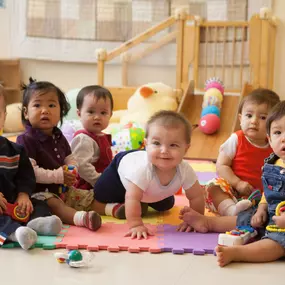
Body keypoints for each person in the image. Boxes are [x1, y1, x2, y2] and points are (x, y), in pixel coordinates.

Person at [181, 101, 285, 267]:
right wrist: (261, 209)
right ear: (270, 140)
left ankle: (238, 253)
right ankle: (209, 223)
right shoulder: (273, 163)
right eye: (278, 132)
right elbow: (269, 192)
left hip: (282, 226)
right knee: (246, 218)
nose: (283, 138)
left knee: (278, 244)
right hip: (270, 214)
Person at [92, 110, 205, 239]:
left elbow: (196, 196)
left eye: (173, 145)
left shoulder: (185, 170)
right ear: (146, 144)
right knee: (100, 193)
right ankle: (101, 206)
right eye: (156, 143)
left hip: (148, 189)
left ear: (186, 149)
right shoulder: (142, 170)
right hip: (120, 172)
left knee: (166, 205)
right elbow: (132, 198)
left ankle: (142, 202)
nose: (164, 151)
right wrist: (136, 225)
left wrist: (196, 220)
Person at [16, 78, 101, 232]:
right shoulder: (26, 139)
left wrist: (72, 168)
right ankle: (82, 219)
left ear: (61, 111)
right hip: (38, 193)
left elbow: (70, 156)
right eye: (37, 105)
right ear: (26, 113)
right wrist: (59, 175)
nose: (45, 110)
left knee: (86, 196)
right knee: (55, 205)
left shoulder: (58, 134)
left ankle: (113, 209)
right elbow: (30, 172)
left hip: (62, 188)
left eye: (51, 105)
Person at [0, 85, 62, 250]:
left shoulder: (15, 150)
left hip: (13, 201)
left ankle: (39, 223)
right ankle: (15, 234)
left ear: (4, 116)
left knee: (39, 202)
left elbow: (25, 176)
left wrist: (23, 195)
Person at [204, 88, 280, 216]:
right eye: (249, 115)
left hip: (263, 198)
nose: (253, 121)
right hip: (233, 192)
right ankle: (231, 211)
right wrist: (237, 183)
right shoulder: (236, 139)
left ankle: (256, 214)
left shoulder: (275, 144)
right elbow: (221, 165)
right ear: (240, 118)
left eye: (262, 117)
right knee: (213, 186)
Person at [71, 85, 113, 190]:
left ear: (110, 115)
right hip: (88, 185)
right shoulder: (83, 139)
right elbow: (82, 166)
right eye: (90, 112)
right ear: (79, 114)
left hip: (103, 180)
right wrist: (100, 181)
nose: (97, 117)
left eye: (103, 113)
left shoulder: (101, 135)